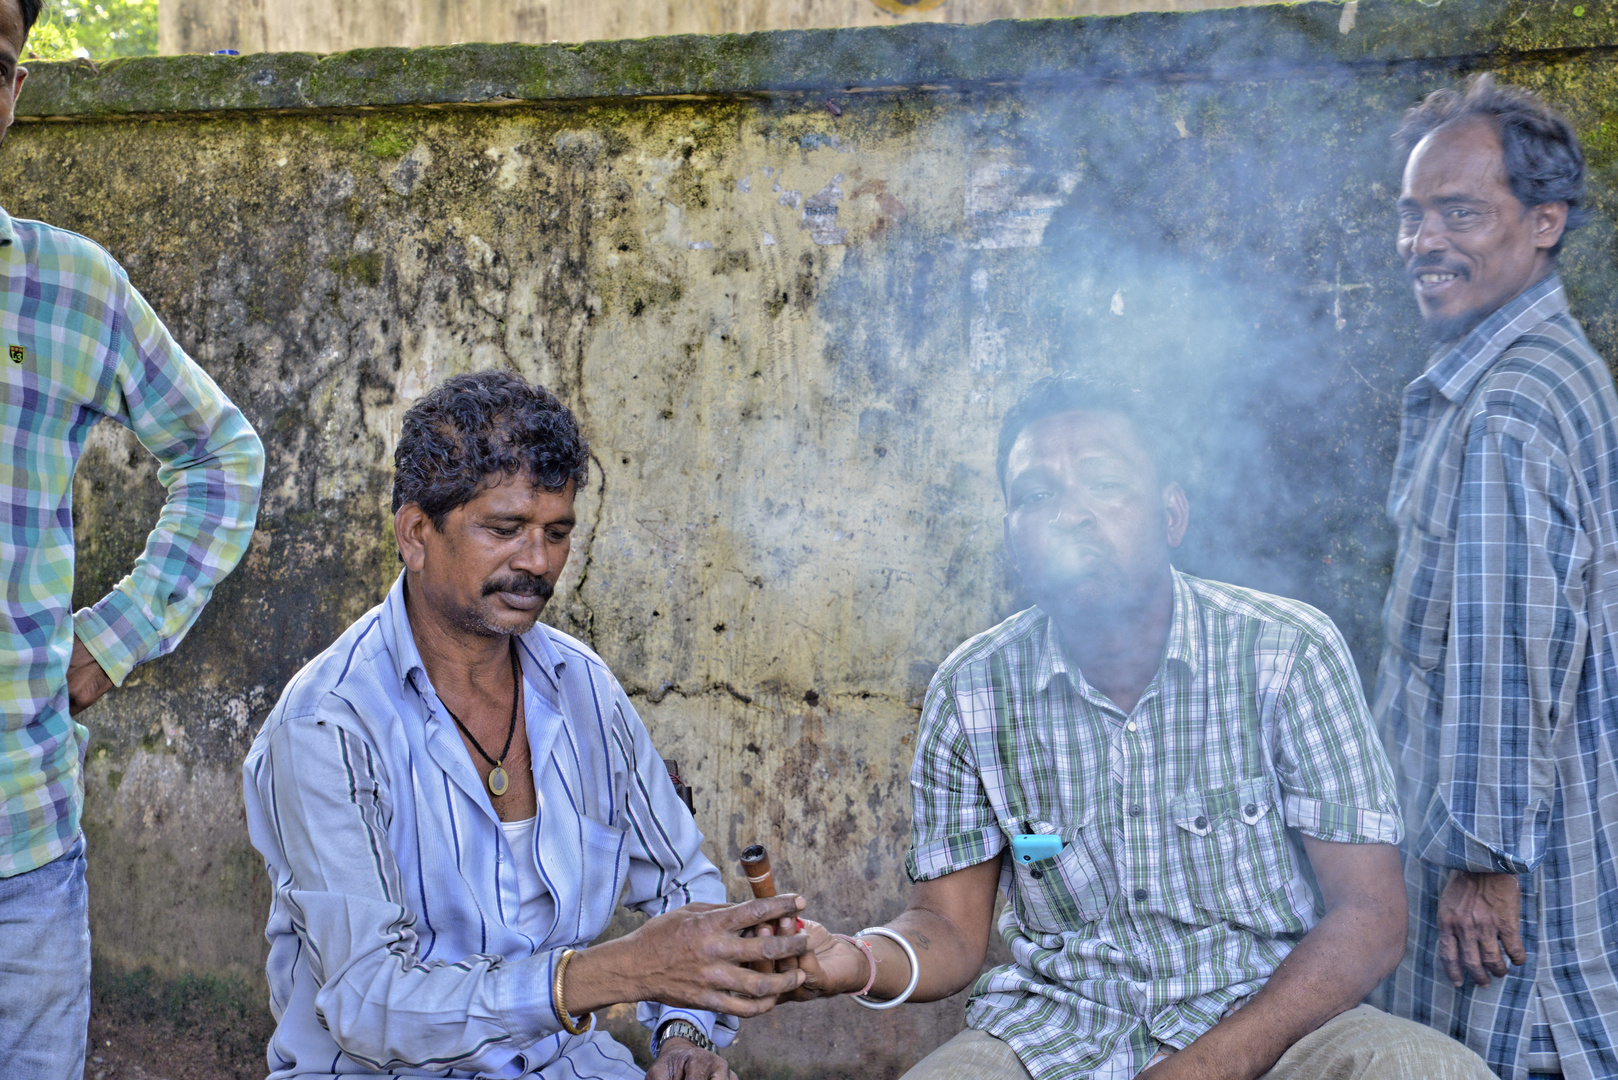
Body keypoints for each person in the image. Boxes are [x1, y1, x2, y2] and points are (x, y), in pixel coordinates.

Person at [774, 374, 1489, 1080]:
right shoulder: (973, 690)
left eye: (1104, 485)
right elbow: (948, 931)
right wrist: (854, 960)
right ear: (1012, 538)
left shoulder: (1287, 651)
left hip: (1274, 1029)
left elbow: (1370, 915)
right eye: (1037, 496)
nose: (1071, 515)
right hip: (1050, 1035)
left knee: (1429, 1070)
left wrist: (1208, 1065)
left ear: (1171, 516)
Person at [243, 370, 809, 1080]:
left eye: (557, 533)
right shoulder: (327, 726)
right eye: (505, 529)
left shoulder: (583, 690)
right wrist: (611, 972)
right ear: (417, 534)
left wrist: (685, 1036)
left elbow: (681, 884)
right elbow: (369, 1003)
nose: (538, 563)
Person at [0, 0, 267, 1075]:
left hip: (19, 862)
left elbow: (222, 459)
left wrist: (113, 637)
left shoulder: (67, 287)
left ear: (14, 91)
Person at [1374, 75, 1618, 1080]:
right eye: (1412, 215)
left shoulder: (1509, 403)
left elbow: (1503, 651)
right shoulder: (1543, 367)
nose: (1424, 241)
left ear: (1544, 222)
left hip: (1512, 880)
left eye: (1460, 213)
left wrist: (1481, 863)